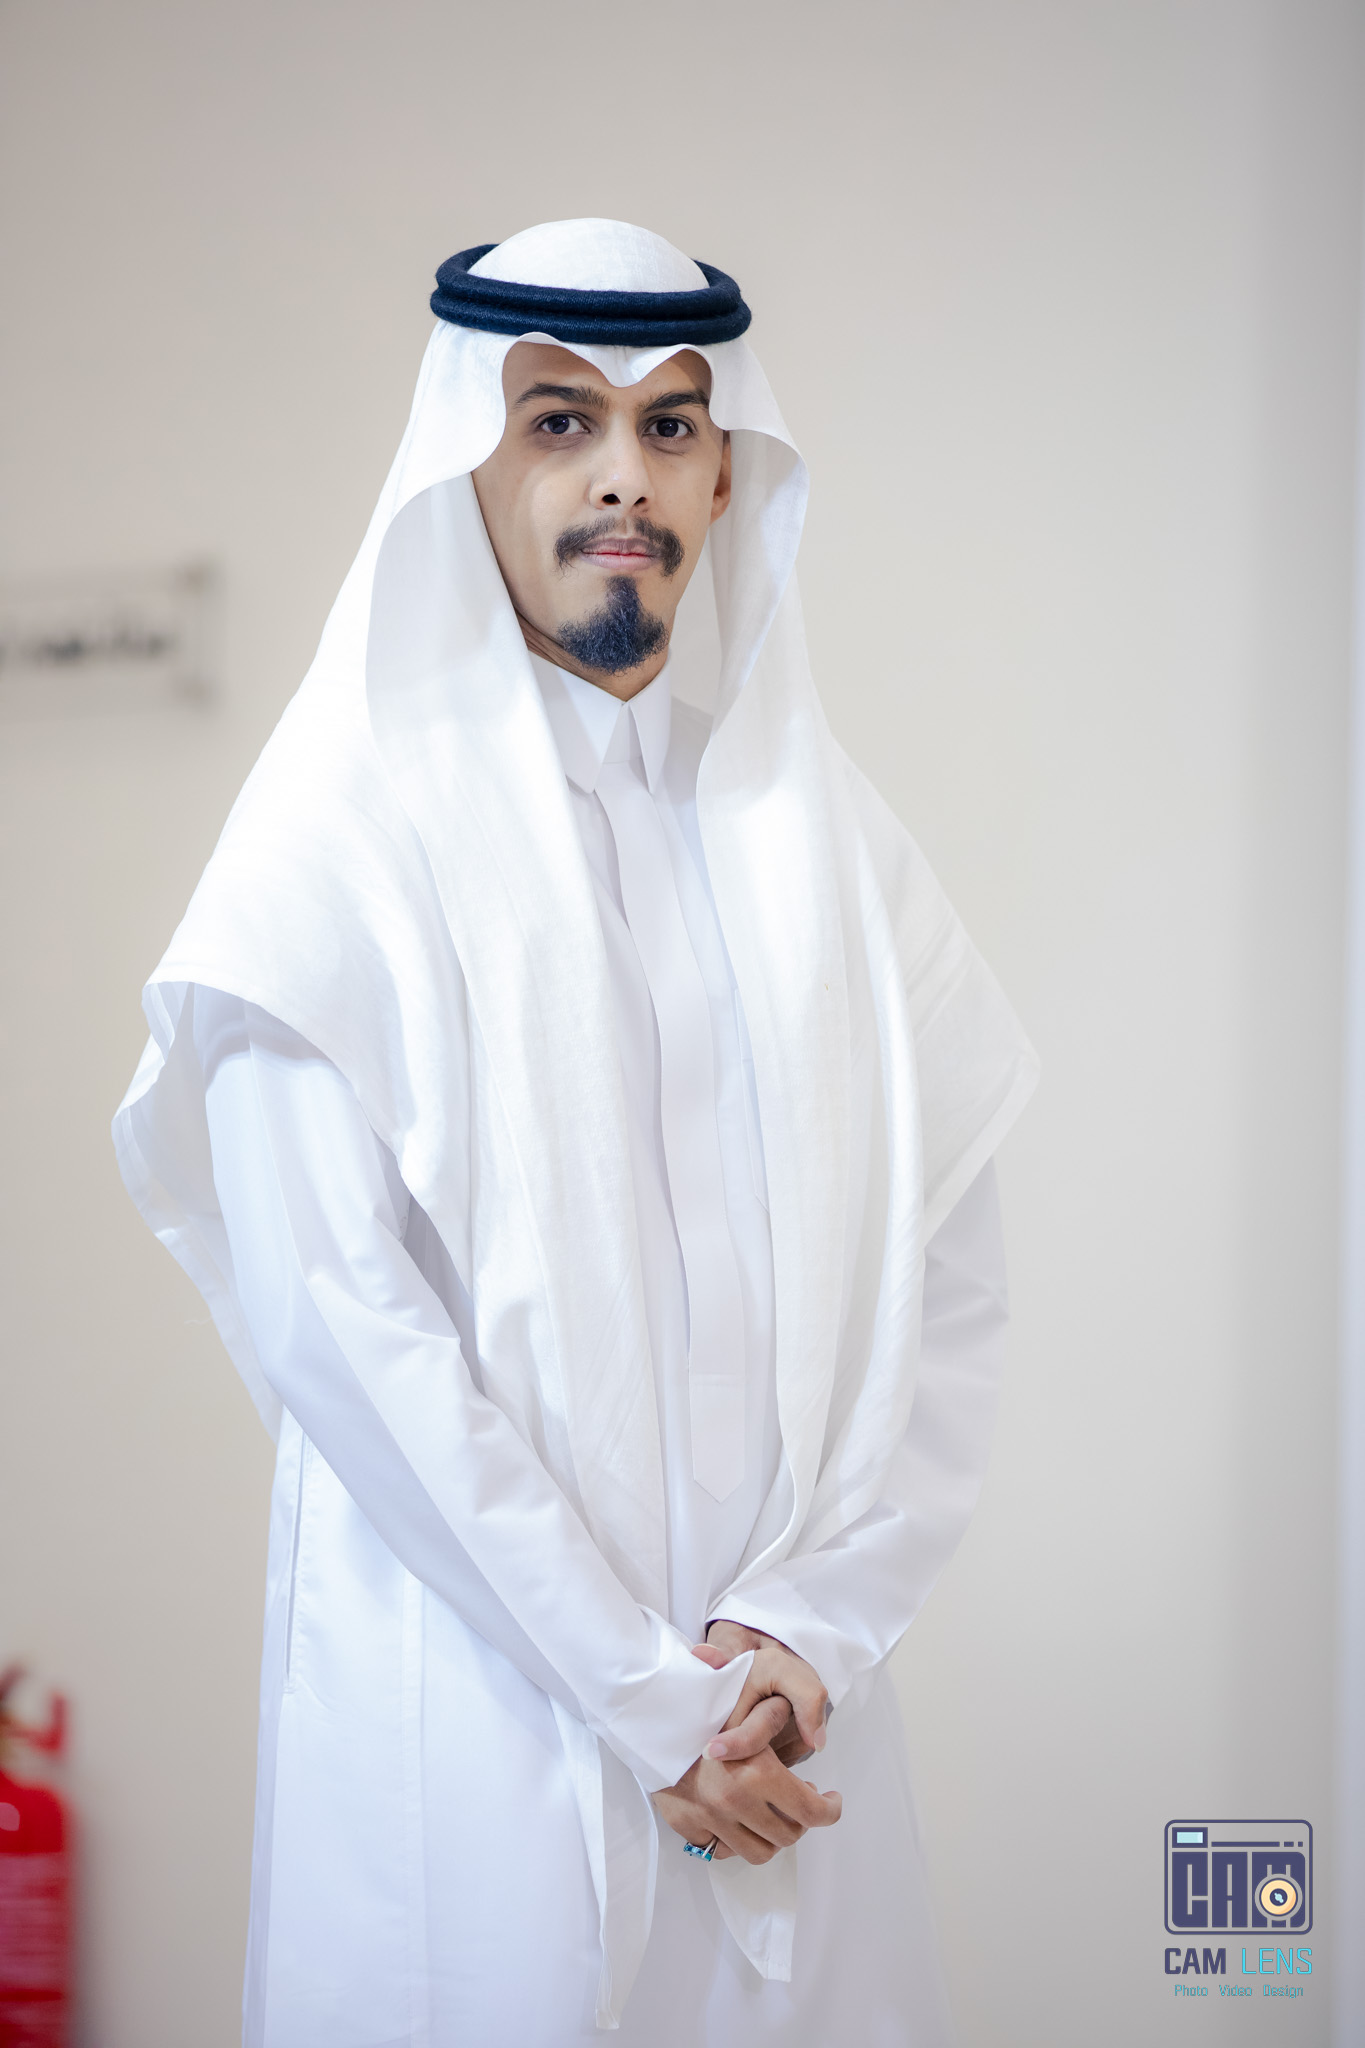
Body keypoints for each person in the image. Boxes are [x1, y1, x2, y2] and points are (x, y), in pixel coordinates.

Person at [113, 217, 1038, 2047]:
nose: (623, 475)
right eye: (559, 421)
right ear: (465, 459)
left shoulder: (831, 850)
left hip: (791, 1729)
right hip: (488, 1725)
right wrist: (644, 1702)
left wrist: (809, 1631)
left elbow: (947, 1278)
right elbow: (339, 1324)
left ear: (723, 471)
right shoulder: (335, 848)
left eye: (669, 424)